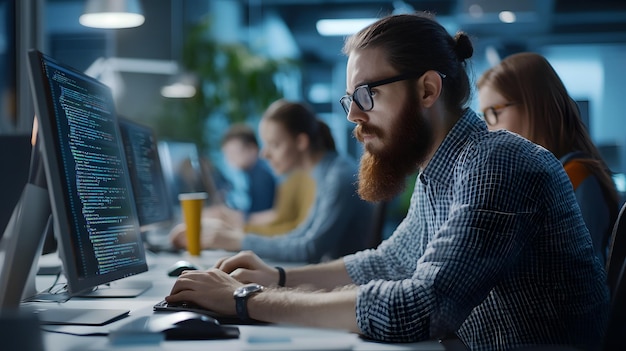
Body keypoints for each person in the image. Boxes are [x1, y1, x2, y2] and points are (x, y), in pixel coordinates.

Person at [166, 13, 609, 350]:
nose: (353, 116)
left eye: (367, 95)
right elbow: (388, 262)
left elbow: (421, 307)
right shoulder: (442, 169)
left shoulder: (499, 162)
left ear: (427, 91)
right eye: (349, 99)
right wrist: (278, 277)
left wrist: (246, 300)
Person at [171, 99, 374, 263]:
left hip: (342, 287)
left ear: (301, 142)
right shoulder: (325, 172)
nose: (265, 154)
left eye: (274, 145)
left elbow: (310, 249)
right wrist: (235, 237)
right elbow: (300, 235)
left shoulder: (337, 177)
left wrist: (237, 240)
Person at [477, 52, 620, 265]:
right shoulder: (546, 176)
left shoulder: (575, 176)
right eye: (484, 116)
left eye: (493, 112)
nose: (488, 128)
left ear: (532, 106)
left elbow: (571, 271)